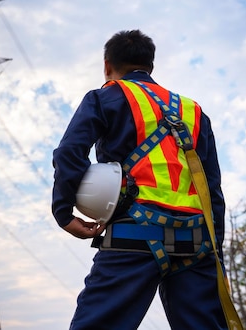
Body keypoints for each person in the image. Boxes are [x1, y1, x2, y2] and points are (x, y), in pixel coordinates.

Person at [51, 30, 228, 329]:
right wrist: (215, 251)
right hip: (196, 243)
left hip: (133, 234)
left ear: (107, 66)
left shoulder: (105, 96)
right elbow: (212, 189)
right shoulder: (194, 111)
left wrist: (63, 212)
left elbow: (70, 152)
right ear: (151, 67)